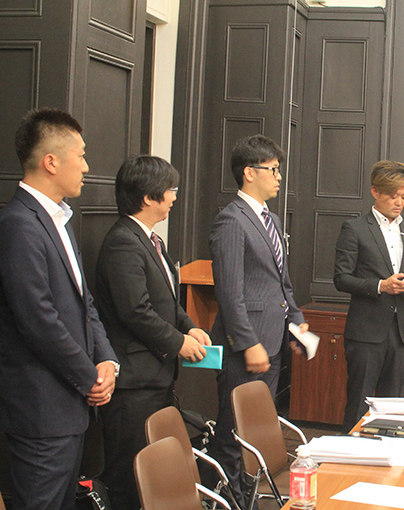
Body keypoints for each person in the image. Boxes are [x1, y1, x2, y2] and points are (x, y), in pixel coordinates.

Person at [0, 108, 118, 510]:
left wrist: (107, 361)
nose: (86, 166)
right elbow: (38, 321)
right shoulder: (19, 225)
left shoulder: (59, 220)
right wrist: (90, 378)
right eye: (80, 155)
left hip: (70, 407)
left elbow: (84, 303)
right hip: (42, 412)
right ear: (51, 162)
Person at [94, 155, 211, 510]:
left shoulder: (150, 240)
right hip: (133, 385)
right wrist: (178, 343)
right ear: (148, 197)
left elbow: (166, 301)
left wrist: (190, 326)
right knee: (129, 479)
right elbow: (136, 311)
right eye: (171, 189)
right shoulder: (123, 242)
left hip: (155, 380)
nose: (174, 197)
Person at [206, 135, 308, 502]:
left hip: (273, 341)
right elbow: (229, 293)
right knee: (233, 431)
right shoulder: (231, 221)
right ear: (250, 173)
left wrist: (296, 320)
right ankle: (225, 499)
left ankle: (247, 494)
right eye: (273, 170)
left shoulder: (271, 219)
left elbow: (281, 281)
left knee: (256, 433)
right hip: (244, 349)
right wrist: (248, 343)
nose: (279, 177)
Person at [334, 160, 404, 432]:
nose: (399, 202)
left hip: (402, 333)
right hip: (367, 331)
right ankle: (351, 452)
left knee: (394, 406)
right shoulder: (355, 229)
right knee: (359, 403)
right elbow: (341, 278)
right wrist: (380, 286)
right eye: (393, 196)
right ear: (375, 192)